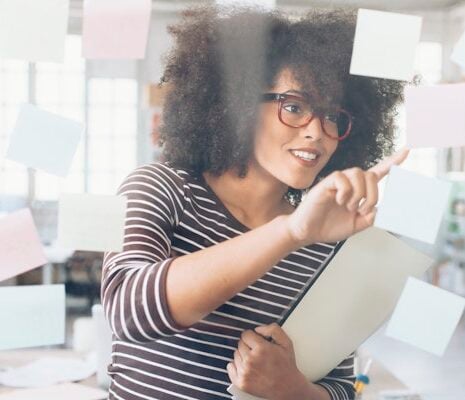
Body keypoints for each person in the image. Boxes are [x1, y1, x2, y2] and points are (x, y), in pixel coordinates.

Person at [102, 5, 408, 400]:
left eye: (332, 115)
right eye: (294, 106)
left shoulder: (325, 241)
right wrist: (290, 232)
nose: (317, 132)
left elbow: (342, 386)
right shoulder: (158, 187)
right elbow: (128, 312)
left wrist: (294, 390)